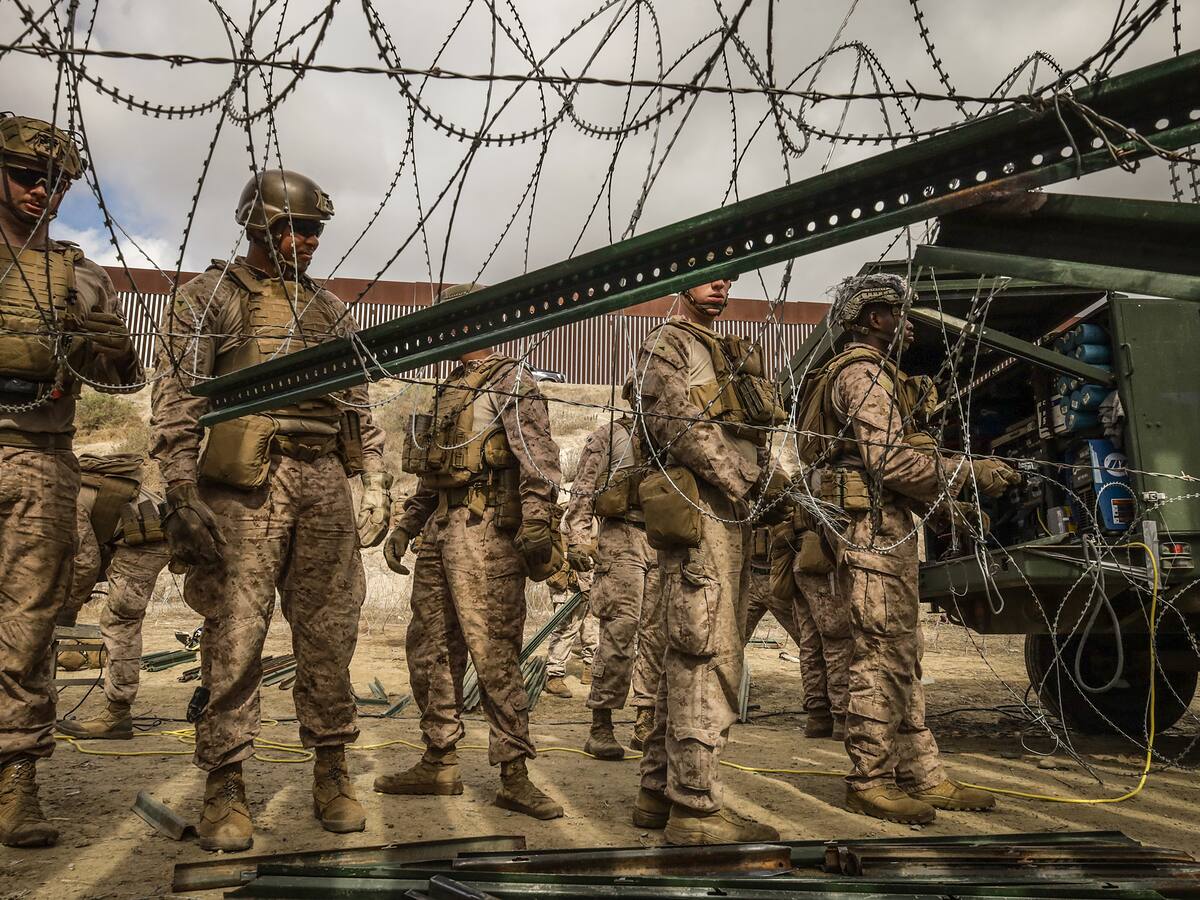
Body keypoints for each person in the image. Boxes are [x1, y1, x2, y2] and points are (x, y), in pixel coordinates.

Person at [151, 169, 390, 851]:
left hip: (320, 482)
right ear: (258, 225)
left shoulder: (332, 312)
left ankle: (332, 768)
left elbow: (355, 405)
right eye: (295, 227)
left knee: (330, 633)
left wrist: (372, 478)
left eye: (316, 229)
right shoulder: (208, 298)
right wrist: (179, 490)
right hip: (243, 488)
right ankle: (225, 780)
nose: (308, 240)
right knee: (235, 636)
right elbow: (177, 402)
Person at [798, 272, 1018, 824]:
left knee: (902, 653)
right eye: (901, 316)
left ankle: (920, 773)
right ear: (875, 319)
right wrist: (971, 473)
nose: (911, 330)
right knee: (877, 652)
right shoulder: (865, 376)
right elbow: (891, 463)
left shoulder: (863, 375)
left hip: (882, 526)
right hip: (871, 532)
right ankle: (869, 779)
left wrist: (949, 508)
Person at [0, 113, 143, 848]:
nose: (40, 192)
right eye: (27, 175)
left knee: (27, 626)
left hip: (39, 454)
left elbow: (124, 375)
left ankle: (16, 780)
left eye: (53, 182)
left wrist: (108, 348)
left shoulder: (83, 275)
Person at [376, 283, 564, 820]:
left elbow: (539, 464)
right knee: (430, 648)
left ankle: (514, 773)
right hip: (440, 528)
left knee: (494, 653)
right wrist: (405, 527)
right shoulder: (450, 388)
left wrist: (537, 528)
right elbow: (434, 475)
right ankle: (439, 759)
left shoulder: (513, 382)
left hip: (486, 534)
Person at [627, 277, 789, 845]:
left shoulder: (729, 351)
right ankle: (694, 809)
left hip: (728, 513)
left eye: (728, 278)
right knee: (705, 651)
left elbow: (749, 437)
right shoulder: (666, 345)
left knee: (692, 650)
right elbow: (678, 427)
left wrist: (775, 488)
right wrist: (749, 485)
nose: (721, 286)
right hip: (701, 511)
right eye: (708, 274)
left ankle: (656, 793)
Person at [562, 411, 664, 755]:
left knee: (656, 635)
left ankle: (645, 719)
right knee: (619, 632)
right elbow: (584, 488)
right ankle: (601, 725)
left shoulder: (675, 435)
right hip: (621, 537)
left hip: (664, 540)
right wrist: (577, 536)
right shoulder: (612, 435)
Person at [55, 454, 170, 739]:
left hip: (146, 538)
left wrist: (67, 611)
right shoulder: (63, 484)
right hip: (137, 534)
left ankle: (117, 714)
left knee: (120, 621)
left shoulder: (62, 495)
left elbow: (85, 563)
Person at [766, 510, 851, 740]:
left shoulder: (797, 478)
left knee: (810, 641)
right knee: (836, 639)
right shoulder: (818, 476)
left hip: (799, 559)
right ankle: (841, 717)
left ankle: (818, 715)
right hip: (819, 559)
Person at [542, 545, 598, 700]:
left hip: (589, 571)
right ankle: (555, 676)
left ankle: (590, 666)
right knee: (565, 627)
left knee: (589, 623)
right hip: (568, 571)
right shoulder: (566, 520)